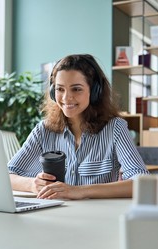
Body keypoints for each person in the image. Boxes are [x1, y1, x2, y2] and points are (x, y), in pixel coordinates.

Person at [8, 54, 149, 200]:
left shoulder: (115, 128)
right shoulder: (43, 130)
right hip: (53, 217)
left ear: (95, 92)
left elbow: (141, 182)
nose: (66, 98)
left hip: (96, 218)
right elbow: (6, 175)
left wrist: (79, 191)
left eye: (76, 89)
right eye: (60, 89)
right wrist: (31, 184)